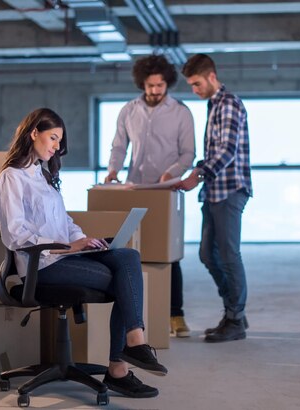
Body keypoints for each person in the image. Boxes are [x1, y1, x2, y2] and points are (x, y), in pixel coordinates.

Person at [0, 108, 167, 398]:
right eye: (53, 138)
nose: (57, 146)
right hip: (43, 266)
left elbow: (65, 223)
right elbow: (14, 235)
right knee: (123, 281)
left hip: (65, 257)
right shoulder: (11, 178)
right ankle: (120, 367)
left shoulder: (44, 176)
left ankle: (134, 343)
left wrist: (84, 239)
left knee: (127, 257)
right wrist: (67, 246)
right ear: (33, 133)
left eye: (59, 141)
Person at [104, 54, 196, 338]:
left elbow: (188, 153)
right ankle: (139, 316)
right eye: (150, 85)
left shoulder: (181, 112)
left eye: (160, 85)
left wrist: (171, 172)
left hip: (166, 191)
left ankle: (176, 315)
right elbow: (119, 146)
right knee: (133, 253)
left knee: (169, 254)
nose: (155, 91)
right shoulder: (129, 111)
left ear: (167, 83)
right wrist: (112, 171)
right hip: (134, 188)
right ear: (141, 83)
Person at [175, 54, 253, 343]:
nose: (194, 90)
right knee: (208, 254)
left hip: (230, 189)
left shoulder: (228, 103)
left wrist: (198, 173)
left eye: (196, 84)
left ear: (211, 76)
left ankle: (235, 318)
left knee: (229, 255)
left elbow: (227, 150)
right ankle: (234, 312)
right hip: (214, 190)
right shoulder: (214, 105)